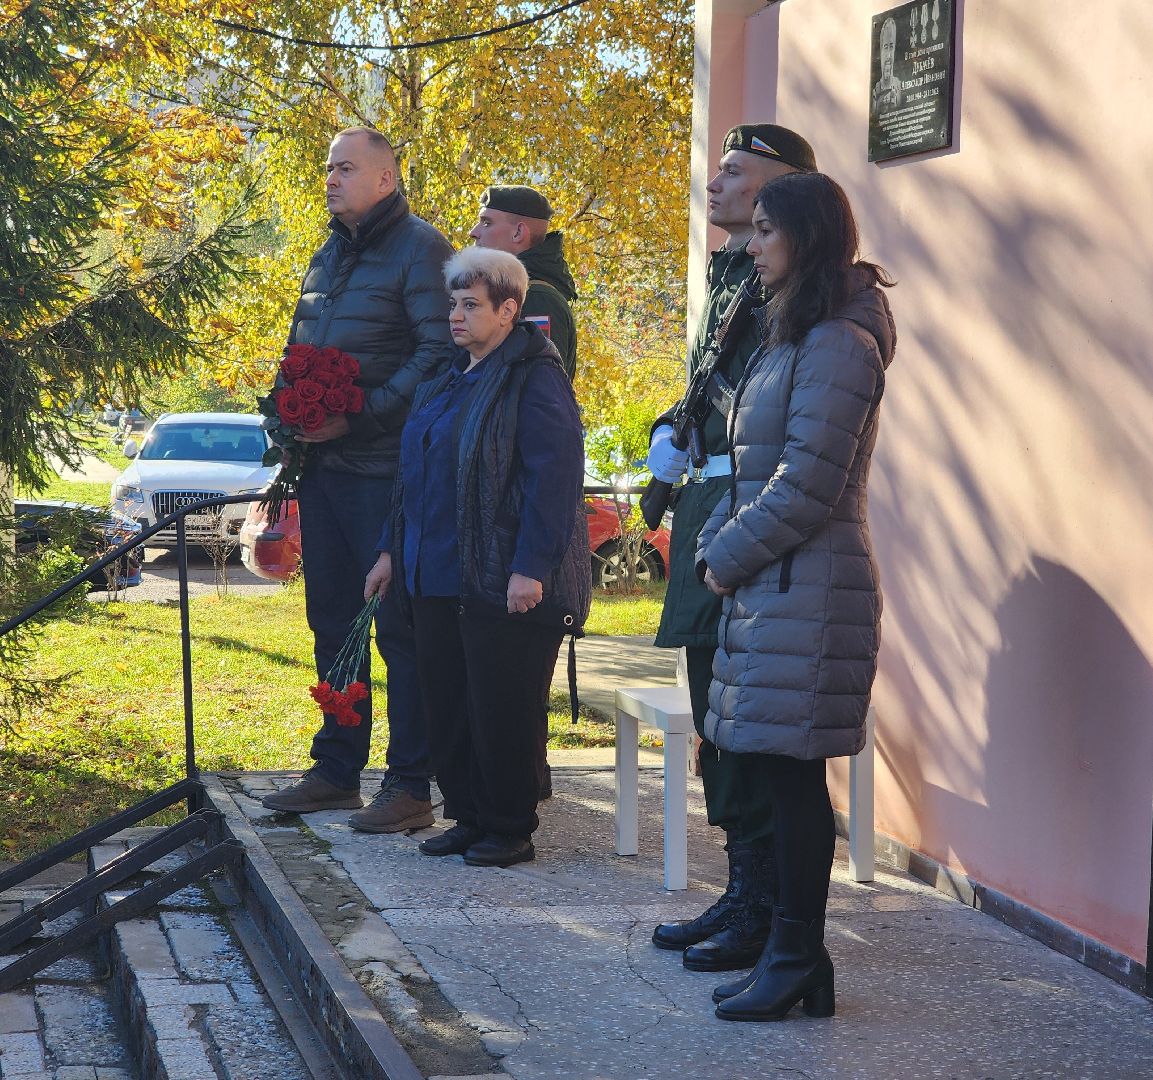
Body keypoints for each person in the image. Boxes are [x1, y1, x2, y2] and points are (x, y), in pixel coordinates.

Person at [703, 172, 895, 1021]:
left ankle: (794, 954)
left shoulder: (837, 345)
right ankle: (794, 955)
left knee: (793, 780)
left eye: (766, 232)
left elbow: (808, 485)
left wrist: (721, 556)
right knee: (776, 775)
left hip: (807, 588)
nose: (752, 245)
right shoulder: (796, 333)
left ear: (807, 237)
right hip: (776, 583)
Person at [646, 124, 817, 974]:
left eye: (736, 173)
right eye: (717, 171)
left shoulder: (795, 292)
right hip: (707, 503)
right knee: (713, 712)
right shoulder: (729, 274)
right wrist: (668, 436)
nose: (715, 186)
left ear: (783, 190)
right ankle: (744, 885)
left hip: (745, 514)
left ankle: (769, 906)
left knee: (743, 718)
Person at [364, 247, 590, 868]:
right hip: (432, 572)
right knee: (449, 703)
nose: (455, 317)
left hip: (500, 576)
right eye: (453, 304)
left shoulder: (534, 377)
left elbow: (555, 478)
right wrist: (389, 551)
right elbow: (410, 477)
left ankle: (509, 825)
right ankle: (468, 814)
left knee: (502, 706)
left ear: (509, 309)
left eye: (471, 306)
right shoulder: (447, 378)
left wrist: (532, 566)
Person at [261, 127, 455, 833]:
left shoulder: (423, 249)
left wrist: (363, 417)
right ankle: (336, 769)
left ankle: (409, 784)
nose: (330, 179)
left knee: (397, 631)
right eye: (327, 168)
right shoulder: (327, 253)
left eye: (345, 168)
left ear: (385, 179)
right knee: (330, 625)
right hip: (326, 469)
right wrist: (288, 416)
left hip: (388, 472)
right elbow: (301, 347)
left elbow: (439, 352)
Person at [469, 185, 578, 382]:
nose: (473, 232)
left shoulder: (537, 299)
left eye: (486, 223)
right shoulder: (514, 291)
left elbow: (541, 389)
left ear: (518, 232)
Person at [871, 16, 902, 116]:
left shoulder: (898, 85)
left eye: (891, 47)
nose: (888, 55)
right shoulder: (876, 89)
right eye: (885, 47)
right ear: (881, 51)